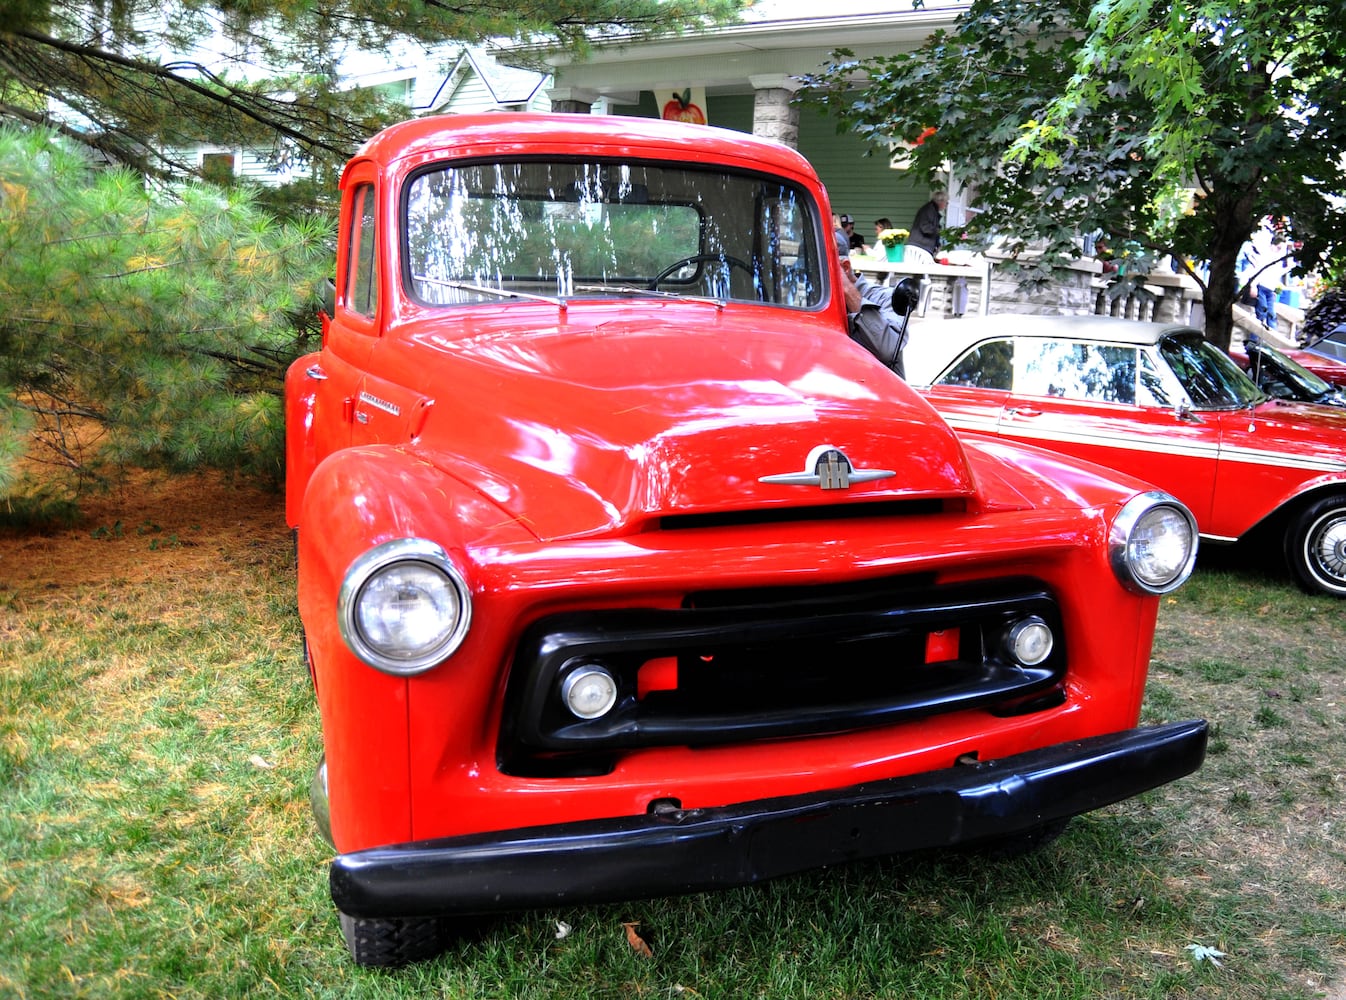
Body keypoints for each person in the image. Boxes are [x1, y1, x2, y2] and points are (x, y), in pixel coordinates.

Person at [836, 228, 910, 378]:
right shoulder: (816, 304)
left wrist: (847, 290)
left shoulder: (886, 299)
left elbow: (889, 348)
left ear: (845, 268)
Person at [905, 191, 947, 264]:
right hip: (919, 248)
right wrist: (939, 231)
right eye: (946, 202)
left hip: (921, 247)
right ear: (940, 201)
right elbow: (926, 228)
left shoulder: (931, 210)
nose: (946, 205)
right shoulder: (929, 210)